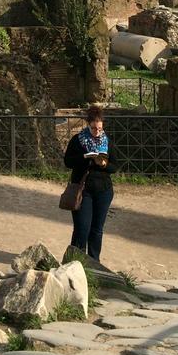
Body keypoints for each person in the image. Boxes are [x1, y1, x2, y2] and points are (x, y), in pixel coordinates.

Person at [63, 106, 118, 264]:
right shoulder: (78, 140)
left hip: (103, 190)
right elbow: (68, 162)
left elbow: (115, 166)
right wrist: (86, 157)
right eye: (94, 128)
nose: (97, 132)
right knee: (82, 228)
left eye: (99, 128)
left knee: (97, 230)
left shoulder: (107, 141)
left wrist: (103, 164)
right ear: (88, 125)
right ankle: (76, 262)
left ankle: (94, 263)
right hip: (83, 190)